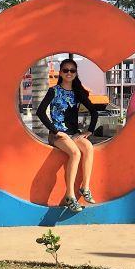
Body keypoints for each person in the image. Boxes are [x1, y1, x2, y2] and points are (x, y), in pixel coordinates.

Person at [36, 58, 98, 212]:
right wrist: (55, 130)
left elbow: (94, 112)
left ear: (76, 73)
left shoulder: (78, 93)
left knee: (89, 148)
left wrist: (89, 130)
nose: (69, 73)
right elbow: (40, 112)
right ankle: (70, 195)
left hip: (73, 134)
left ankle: (85, 187)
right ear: (61, 73)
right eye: (65, 70)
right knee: (75, 153)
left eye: (72, 70)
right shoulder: (54, 91)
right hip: (58, 135)